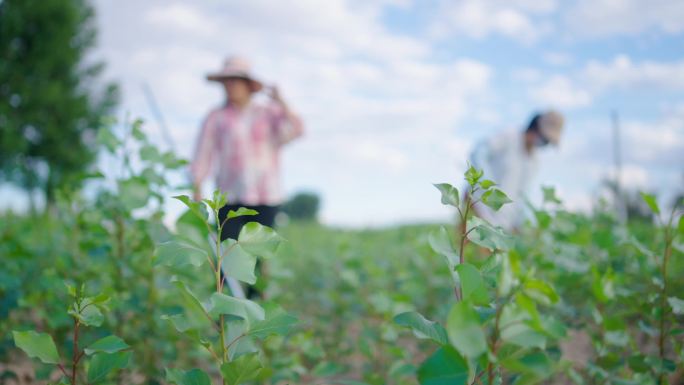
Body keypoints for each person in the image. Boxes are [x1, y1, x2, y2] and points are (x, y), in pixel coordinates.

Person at [190, 56, 304, 295]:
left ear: (248, 84)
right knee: (227, 253)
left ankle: (256, 307)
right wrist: (197, 186)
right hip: (230, 195)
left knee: (259, 255)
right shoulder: (216, 117)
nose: (231, 86)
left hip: (266, 195)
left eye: (236, 81)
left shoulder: (269, 113)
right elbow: (203, 152)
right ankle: (225, 312)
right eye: (227, 81)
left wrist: (282, 103)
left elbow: (296, 131)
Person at [469, 110, 564, 230]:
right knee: (465, 247)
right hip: (477, 206)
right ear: (536, 128)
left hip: (500, 222)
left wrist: (521, 223)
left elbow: (522, 195)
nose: (544, 145)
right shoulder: (509, 136)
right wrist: (488, 186)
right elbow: (478, 153)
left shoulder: (534, 161)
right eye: (545, 140)